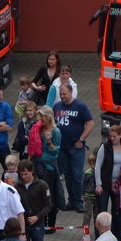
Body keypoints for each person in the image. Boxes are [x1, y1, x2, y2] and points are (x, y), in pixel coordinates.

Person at [52, 82, 95, 211]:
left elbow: (90, 123)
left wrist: (81, 139)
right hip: (62, 147)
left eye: (64, 94)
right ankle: (71, 200)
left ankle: (78, 201)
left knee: (77, 175)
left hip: (76, 147)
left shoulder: (80, 106)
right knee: (67, 175)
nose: (62, 96)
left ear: (71, 92)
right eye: (60, 94)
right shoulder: (57, 106)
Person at [15, 160, 51, 241]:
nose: (23, 177)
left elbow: (48, 205)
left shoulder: (42, 185)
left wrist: (37, 217)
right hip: (22, 224)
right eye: (21, 174)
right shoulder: (17, 187)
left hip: (37, 224)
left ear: (32, 172)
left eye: (26, 174)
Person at [33, 107, 62, 229]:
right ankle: (41, 221)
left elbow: (55, 152)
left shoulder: (56, 131)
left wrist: (49, 142)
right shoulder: (39, 128)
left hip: (49, 168)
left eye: (42, 116)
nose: (40, 119)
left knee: (48, 195)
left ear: (49, 117)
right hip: (37, 166)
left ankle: (51, 223)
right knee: (38, 195)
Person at [95, 124, 121, 215]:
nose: (112, 138)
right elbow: (98, 166)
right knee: (102, 210)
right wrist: (98, 184)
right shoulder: (105, 147)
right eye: (110, 136)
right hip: (105, 183)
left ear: (120, 135)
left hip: (119, 184)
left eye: (114, 136)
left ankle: (115, 229)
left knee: (117, 211)